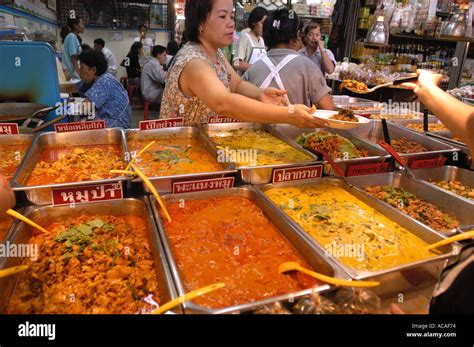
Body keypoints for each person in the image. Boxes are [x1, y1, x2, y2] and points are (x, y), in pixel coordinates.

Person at [160, 0, 327, 129]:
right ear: (200, 23)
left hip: (205, 146)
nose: (231, 23)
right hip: (182, 155)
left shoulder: (214, 52)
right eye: (222, 16)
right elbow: (223, 103)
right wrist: (288, 114)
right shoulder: (194, 62)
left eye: (231, 16)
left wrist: (260, 94)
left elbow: (237, 84)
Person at [243, 9, 334, 110]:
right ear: (297, 35)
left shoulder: (253, 69)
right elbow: (328, 107)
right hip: (297, 125)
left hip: (255, 125)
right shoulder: (308, 67)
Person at [61, 49, 131, 129]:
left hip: (115, 128)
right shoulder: (91, 81)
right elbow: (72, 88)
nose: (79, 71)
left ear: (93, 70)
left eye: (82, 67)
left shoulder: (105, 81)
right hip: (104, 125)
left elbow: (84, 108)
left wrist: (62, 108)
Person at [233, 6, 268, 74]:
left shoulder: (261, 40)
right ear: (254, 22)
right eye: (262, 23)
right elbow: (236, 63)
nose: (265, 27)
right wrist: (256, 68)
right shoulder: (245, 38)